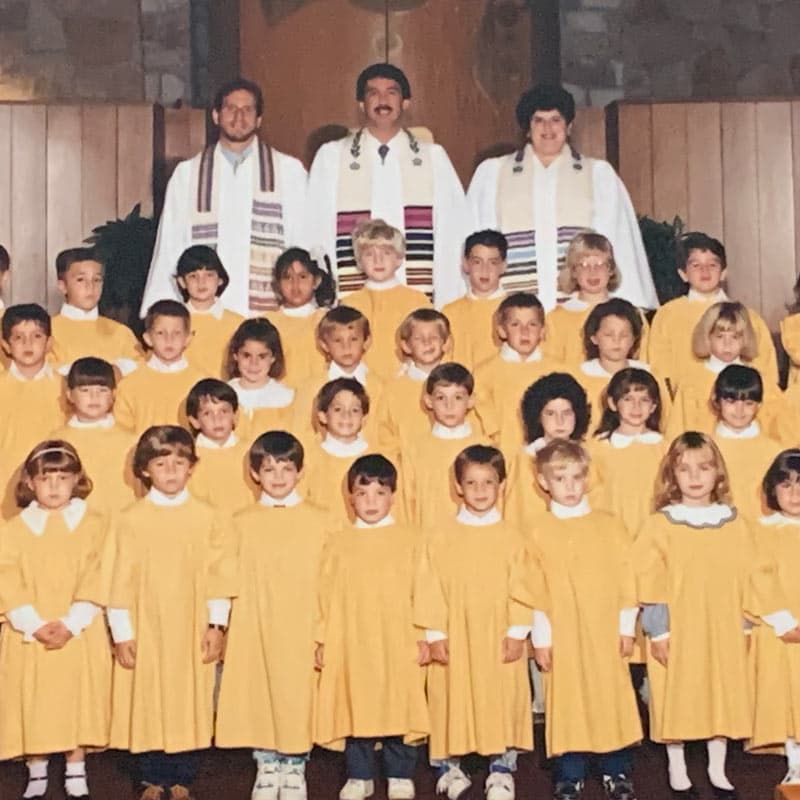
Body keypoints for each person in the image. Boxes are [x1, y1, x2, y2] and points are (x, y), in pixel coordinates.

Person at [634, 432, 798, 799]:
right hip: (678, 625)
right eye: (685, 469)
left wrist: (744, 624)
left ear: (717, 473)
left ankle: (717, 768)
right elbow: (648, 576)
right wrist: (658, 630)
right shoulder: (661, 524)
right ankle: (677, 767)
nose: (695, 477)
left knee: (719, 692)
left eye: (704, 468)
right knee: (675, 694)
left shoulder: (735, 522)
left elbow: (752, 575)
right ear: (671, 475)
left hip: (722, 624)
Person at [107, 425, 235, 800]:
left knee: (190, 696)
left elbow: (220, 573)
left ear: (192, 467)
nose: (171, 471)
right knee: (147, 697)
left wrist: (216, 624)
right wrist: (122, 632)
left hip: (192, 622)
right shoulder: (129, 519)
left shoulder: (209, 516)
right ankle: (150, 777)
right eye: (161, 464)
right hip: (145, 624)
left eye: (180, 463)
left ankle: (183, 776)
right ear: (145, 470)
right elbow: (116, 580)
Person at [512, 439, 642, 800]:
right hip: (561, 630)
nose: (569, 486)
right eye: (560, 478)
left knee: (610, 695)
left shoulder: (610, 525)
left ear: (587, 478)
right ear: (542, 481)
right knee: (565, 699)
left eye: (576, 477)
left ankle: (616, 769)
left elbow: (626, 578)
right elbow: (533, 587)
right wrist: (541, 638)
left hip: (604, 629)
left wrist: (625, 627)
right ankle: (570, 772)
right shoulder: (536, 529)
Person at [467, 85, 656, 312]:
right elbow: (477, 248)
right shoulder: (494, 174)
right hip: (516, 316)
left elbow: (618, 243)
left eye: (556, 119)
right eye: (538, 120)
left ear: (569, 127)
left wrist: (623, 311)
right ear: (528, 129)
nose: (548, 128)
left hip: (580, 313)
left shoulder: (597, 175)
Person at [216, 431, 331, 800]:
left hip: (304, 620)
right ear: (254, 474)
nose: (278, 476)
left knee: (297, 692)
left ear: (300, 472)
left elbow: (333, 580)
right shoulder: (240, 520)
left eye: (286, 468)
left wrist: (326, 630)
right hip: (256, 620)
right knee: (259, 689)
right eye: (269, 469)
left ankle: (295, 762)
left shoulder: (322, 519)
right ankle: (266, 761)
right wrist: (220, 622)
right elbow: (224, 575)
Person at [414, 445, 532, 800]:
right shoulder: (438, 535)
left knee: (502, 695)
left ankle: (501, 767)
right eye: (472, 482)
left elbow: (525, 586)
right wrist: (435, 632)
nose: (480, 491)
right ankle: (450, 765)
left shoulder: (514, 537)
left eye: (489, 482)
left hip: (498, 633)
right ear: (458, 487)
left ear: (502, 486)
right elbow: (429, 584)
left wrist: (517, 631)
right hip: (454, 632)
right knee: (451, 694)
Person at [0, 440, 112, 800]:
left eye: (62, 477)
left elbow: (102, 571)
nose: (53, 486)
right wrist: (31, 622)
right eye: (45, 478)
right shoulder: (13, 529)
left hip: (76, 629)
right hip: (30, 631)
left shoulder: (96, 524)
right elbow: (6, 575)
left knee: (73, 698)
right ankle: (36, 769)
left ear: (77, 479)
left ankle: (76, 768)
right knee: (33, 698)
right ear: (29, 482)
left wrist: (72, 621)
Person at [305, 63, 470, 307]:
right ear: (361, 104)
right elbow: (316, 230)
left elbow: (452, 233)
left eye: (391, 93)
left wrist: (445, 299)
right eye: (373, 93)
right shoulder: (332, 157)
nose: (382, 100)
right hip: (352, 302)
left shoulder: (433, 157)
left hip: (417, 296)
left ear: (405, 103)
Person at [142, 78, 308, 316]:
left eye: (247, 110)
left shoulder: (289, 171)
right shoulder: (188, 174)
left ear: (259, 119)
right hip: (204, 315)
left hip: (269, 315)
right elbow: (170, 246)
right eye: (230, 108)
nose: (239, 117)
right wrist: (162, 313)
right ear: (216, 116)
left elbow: (301, 242)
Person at [315, 454, 429, 800]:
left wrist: (426, 634)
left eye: (379, 493)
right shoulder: (338, 542)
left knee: (398, 702)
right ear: (350, 496)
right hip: (352, 639)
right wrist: (321, 639)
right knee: (356, 703)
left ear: (393, 495)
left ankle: (399, 773)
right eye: (362, 494)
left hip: (398, 637)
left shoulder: (411, 539)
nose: (371, 502)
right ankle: (359, 774)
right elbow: (324, 593)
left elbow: (424, 588)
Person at [648, 233, 777, 391]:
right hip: (685, 404)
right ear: (683, 274)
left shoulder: (747, 316)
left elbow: (766, 368)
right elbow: (658, 370)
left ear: (723, 272)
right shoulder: (667, 315)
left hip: (738, 404)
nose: (705, 271)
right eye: (696, 265)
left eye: (712, 265)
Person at [748, 450, 800, 783]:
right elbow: (756, 577)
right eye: (786, 485)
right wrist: (784, 620)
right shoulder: (762, 531)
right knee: (784, 692)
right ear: (772, 490)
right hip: (780, 628)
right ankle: (795, 759)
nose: (795, 494)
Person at [666, 302, 783, 440]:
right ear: (707, 337)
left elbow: (776, 430)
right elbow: (676, 432)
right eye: (720, 336)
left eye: (735, 337)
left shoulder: (761, 382)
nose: (727, 344)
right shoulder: (690, 383)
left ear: (745, 339)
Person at [474, 292, 565, 453]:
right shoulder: (483, 374)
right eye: (515, 324)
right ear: (502, 330)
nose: (525, 332)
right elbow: (481, 425)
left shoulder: (559, 372)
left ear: (543, 331)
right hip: (503, 457)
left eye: (532, 324)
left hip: (549, 461)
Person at [403, 363, 491, 528]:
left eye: (457, 397)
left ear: (471, 401)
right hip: (430, 540)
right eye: (441, 397)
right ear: (428, 401)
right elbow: (408, 503)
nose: (449, 406)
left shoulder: (486, 447)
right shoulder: (415, 449)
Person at [304, 378, 404, 522]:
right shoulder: (309, 459)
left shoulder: (384, 457)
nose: (346, 416)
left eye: (355, 410)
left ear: (364, 418)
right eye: (338, 409)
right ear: (323, 416)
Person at [544, 233, 650, 369]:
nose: (592, 272)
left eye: (600, 264)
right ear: (573, 272)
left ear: (611, 269)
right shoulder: (556, 319)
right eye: (584, 265)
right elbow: (550, 368)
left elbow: (643, 362)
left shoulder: (632, 313)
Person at [343, 219, 431, 380]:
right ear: (359, 261)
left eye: (386, 253)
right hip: (362, 383)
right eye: (370, 254)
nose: (378, 261)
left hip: (407, 381)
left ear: (398, 258)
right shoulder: (349, 304)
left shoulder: (417, 301)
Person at [0, 304, 66, 518]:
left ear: (49, 343)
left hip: (55, 490)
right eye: (18, 337)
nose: (28, 344)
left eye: (36, 336)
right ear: (5, 345)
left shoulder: (66, 389)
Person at [50, 357, 139, 514]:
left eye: (102, 390)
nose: (94, 397)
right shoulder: (57, 442)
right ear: (70, 395)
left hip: (121, 523)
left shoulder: (132, 441)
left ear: (113, 395)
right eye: (85, 390)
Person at [505, 372, 591, 526]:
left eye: (567, 413)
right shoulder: (525, 459)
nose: (560, 421)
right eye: (550, 413)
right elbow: (516, 513)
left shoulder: (588, 456)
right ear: (538, 417)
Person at [588, 368, 666, 537]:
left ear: (653, 406)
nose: (636, 407)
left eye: (644, 400)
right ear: (612, 403)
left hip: (651, 531)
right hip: (609, 532)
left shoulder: (663, 447)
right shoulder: (598, 447)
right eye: (628, 399)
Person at [292, 306, 383, 445]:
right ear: (324, 345)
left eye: (353, 339)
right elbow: (301, 435)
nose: (346, 347)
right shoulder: (309, 388)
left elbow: (384, 434)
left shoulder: (380, 387)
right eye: (337, 341)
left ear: (366, 341)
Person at [576, 298, 670, 432]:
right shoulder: (579, 377)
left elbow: (666, 422)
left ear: (634, 339)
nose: (617, 341)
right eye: (609, 335)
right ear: (594, 337)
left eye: (624, 335)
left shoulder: (649, 374)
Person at [114, 300, 205, 435]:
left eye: (177, 333)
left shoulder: (202, 383)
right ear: (148, 338)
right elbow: (122, 435)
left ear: (188, 338)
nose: (169, 340)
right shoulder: (129, 385)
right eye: (161, 333)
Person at [50, 247, 140, 375]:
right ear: (63, 286)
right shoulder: (47, 331)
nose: (90, 287)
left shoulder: (121, 332)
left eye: (96, 280)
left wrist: (119, 371)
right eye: (81, 280)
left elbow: (141, 368)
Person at [709, 365, 782, 522]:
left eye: (748, 403)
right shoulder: (706, 449)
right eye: (731, 401)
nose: (739, 410)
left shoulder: (775, 451)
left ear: (759, 405)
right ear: (716, 401)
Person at [377, 308, 455, 450]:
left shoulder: (458, 385)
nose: (427, 343)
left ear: (446, 343)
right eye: (418, 338)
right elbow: (384, 435)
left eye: (434, 337)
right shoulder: (394, 390)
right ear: (406, 346)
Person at [263, 247, 334, 388]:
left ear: (316, 281)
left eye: (302, 277)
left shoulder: (327, 319)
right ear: (277, 284)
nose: (295, 285)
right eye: (287, 277)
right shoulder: (268, 322)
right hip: (281, 400)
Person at [185, 378, 258, 513]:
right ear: (195, 421)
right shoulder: (187, 456)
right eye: (207, 413)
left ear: (235, 416)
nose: (217, 419)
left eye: (223, 411)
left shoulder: (251, 451)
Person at [174, 245, 245, 379]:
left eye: (209, 275)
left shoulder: (237, 323)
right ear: (182, 282)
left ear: (220, 280)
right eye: (193, 276)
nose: (202, 282)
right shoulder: (173, 322)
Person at [443, 230, 507, 371]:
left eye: (493, 262)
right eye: (477, 262)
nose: (485, 270)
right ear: (466, 265)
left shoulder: (516, 310)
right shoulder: (449, 313)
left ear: (504, 266)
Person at [225, 318, 296, 441]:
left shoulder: (286, 397)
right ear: (235, 355)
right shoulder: (225, 394)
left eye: (262, 356)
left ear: (273, 357)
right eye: (247, 355)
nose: (254, 364)